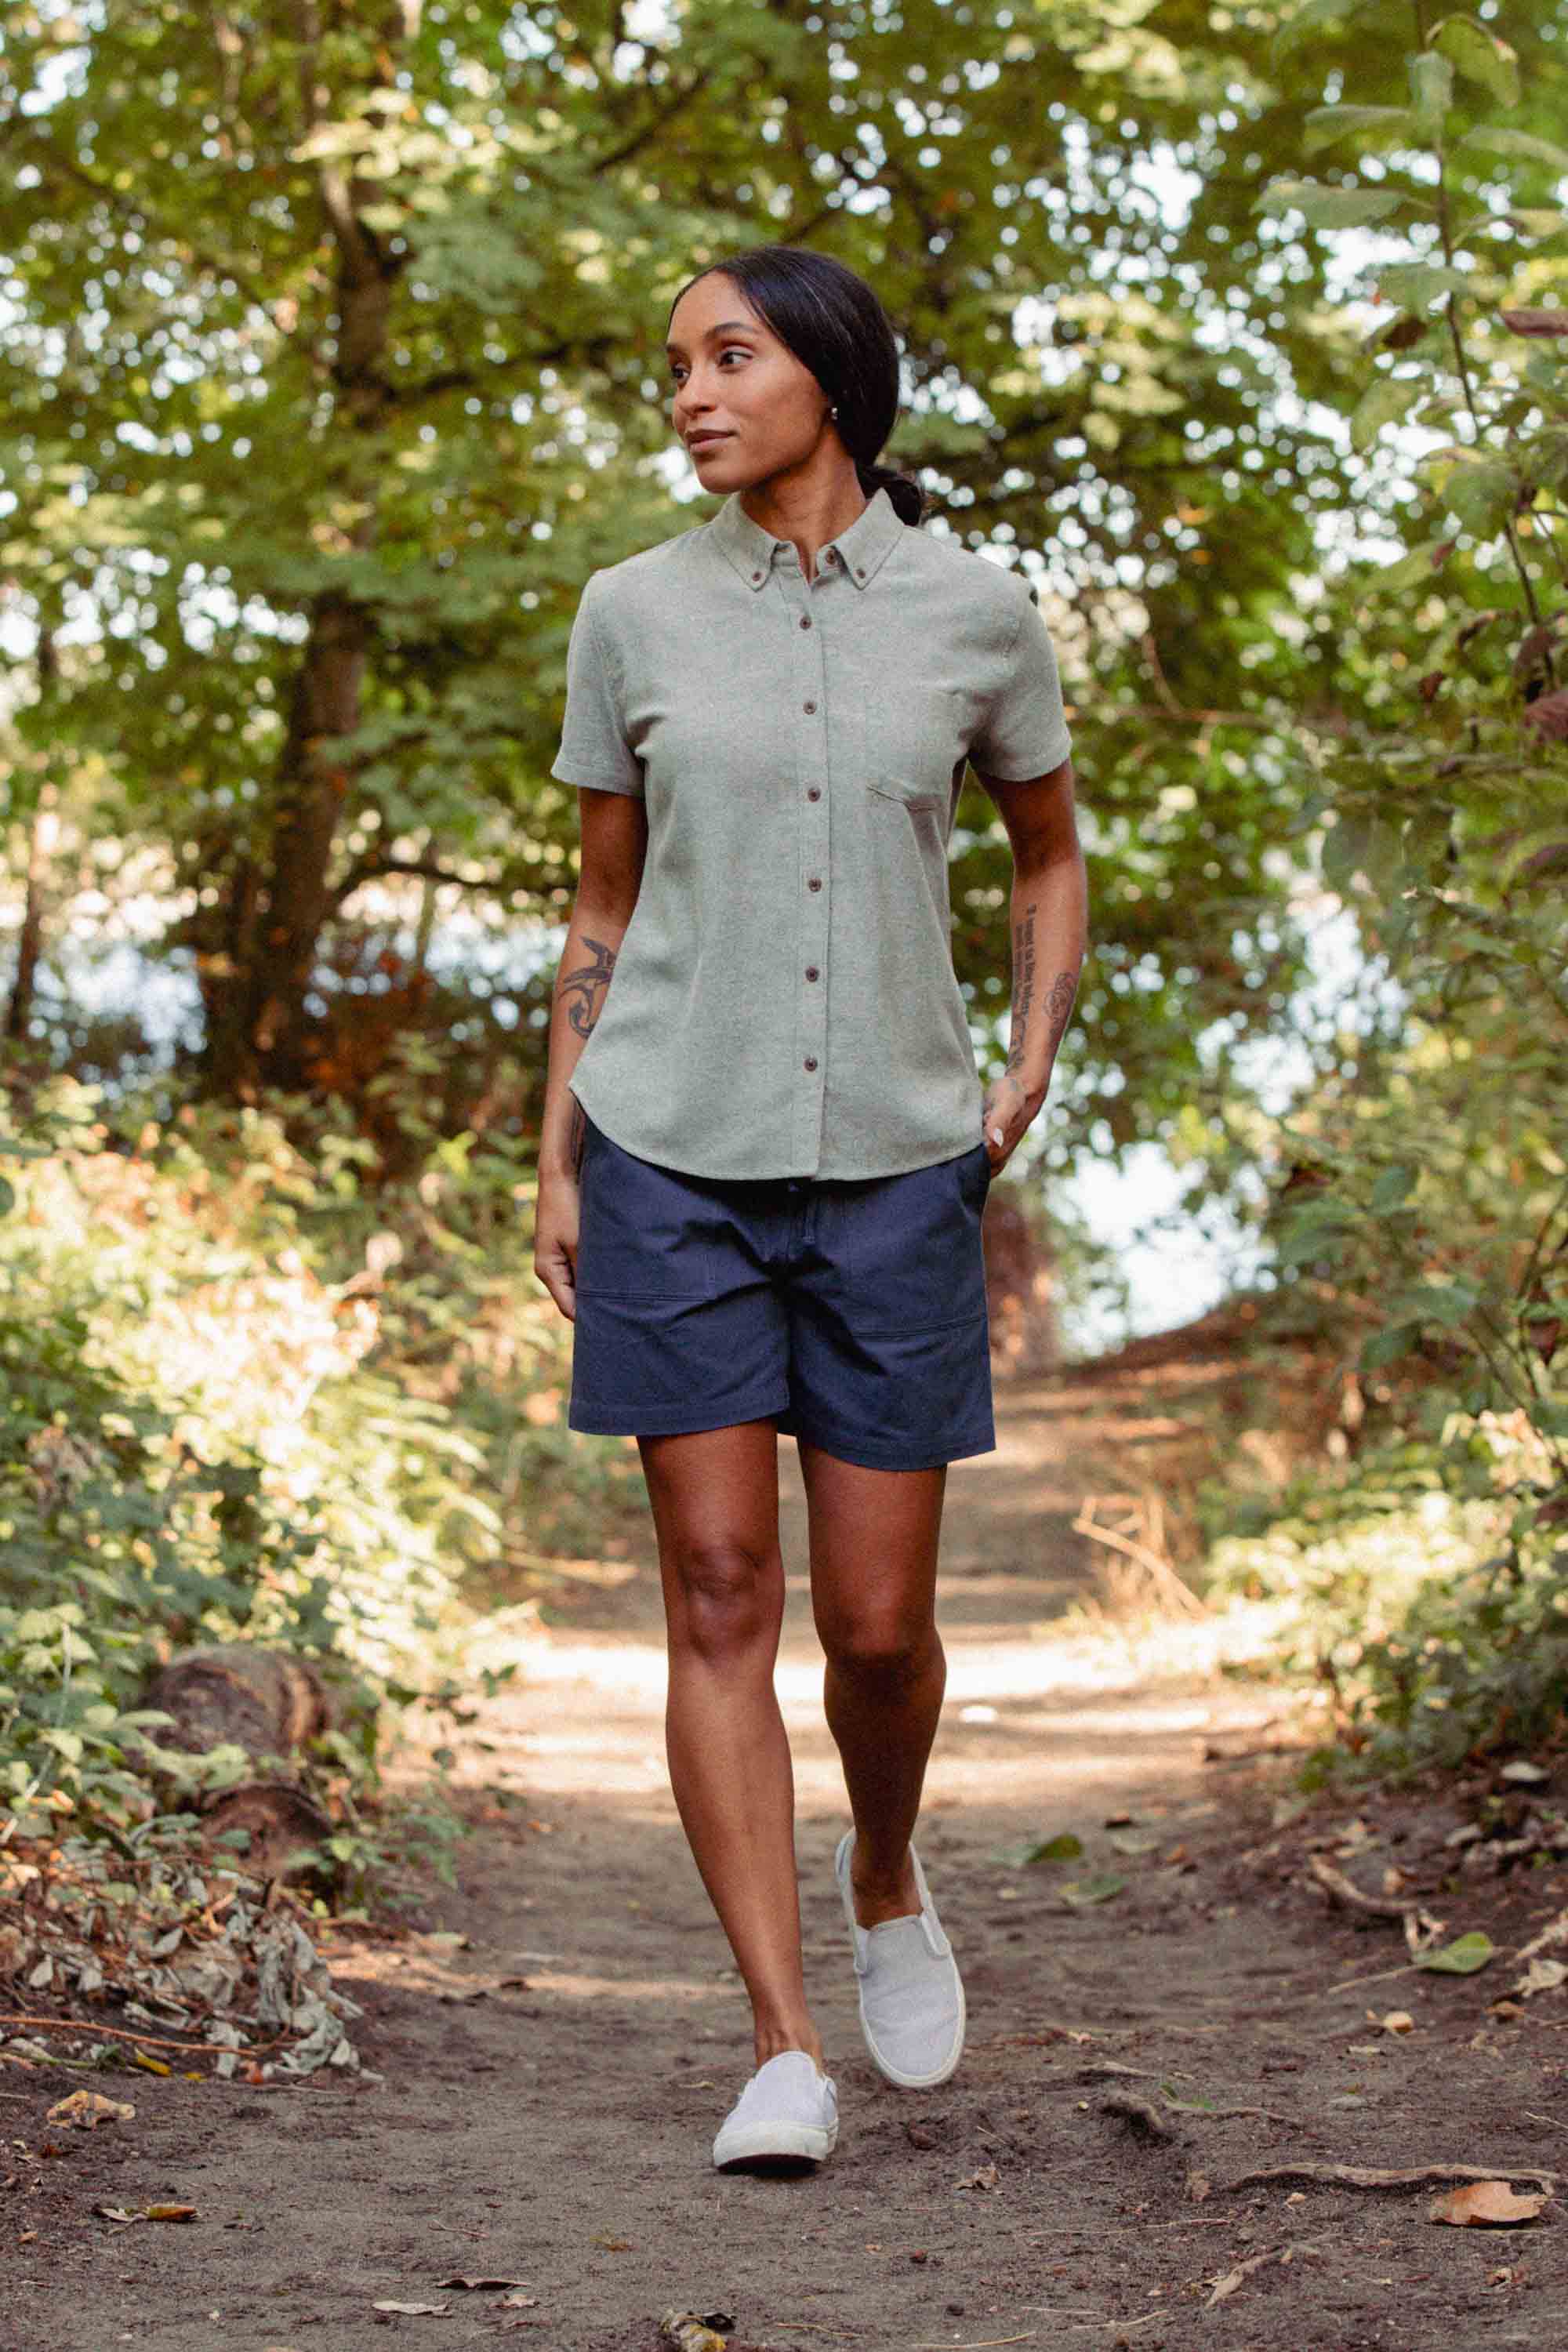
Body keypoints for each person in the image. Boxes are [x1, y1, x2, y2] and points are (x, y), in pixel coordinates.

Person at [532, 244, 1087, 2172]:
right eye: (672, 365)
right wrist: (560, 1153)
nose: (686, 393)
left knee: (871, 1629)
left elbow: (1049, 850)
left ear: (828, 384)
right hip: (671, 1151)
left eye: (726, 357)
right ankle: (779, 2045)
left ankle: (883, 1866)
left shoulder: (975, 612)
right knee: (714, 1596)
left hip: (895, 1170)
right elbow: (600, 911)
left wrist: (1024, 1058)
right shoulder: (628, 614)